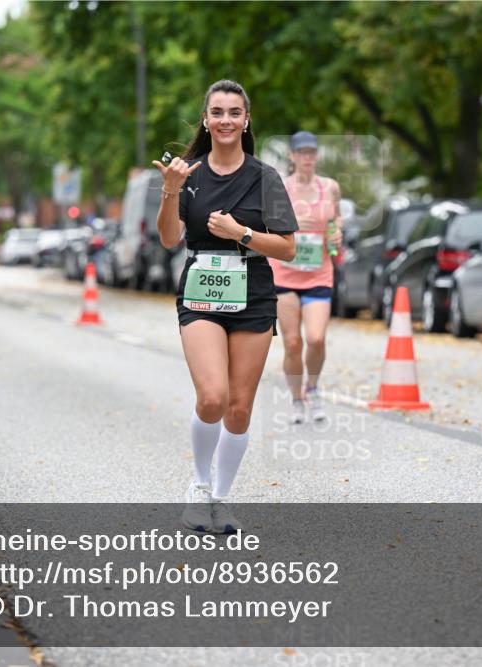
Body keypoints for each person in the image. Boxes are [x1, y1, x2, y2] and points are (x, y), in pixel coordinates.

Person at [153, 79, 298, 534]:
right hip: (201, 291)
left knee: (238, 408)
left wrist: (242, 233)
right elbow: (169, 238)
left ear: (246, 120)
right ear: (206, 119)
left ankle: (220, 498)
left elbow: (288, 248)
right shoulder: (189, 175)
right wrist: (171, 190)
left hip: (253, 292)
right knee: (212, 396)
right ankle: (198, 486)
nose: (226, 120)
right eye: (217, 112)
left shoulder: (265, 177)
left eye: (234, 112)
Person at [271, 132, 343, 424]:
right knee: (292, 343)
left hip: (318, 273)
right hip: (284, 274)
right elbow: (266, 223)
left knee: (316, 338)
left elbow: (336, 218)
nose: (307, 157)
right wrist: (292, 223)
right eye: (302, 153)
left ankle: (312, 387)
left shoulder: (330, 187)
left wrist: (337, 231)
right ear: (292, 156)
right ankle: (296, 399)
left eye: (312, 152)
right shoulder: (280, 188)